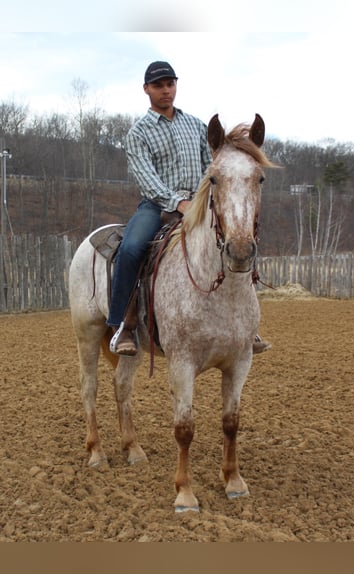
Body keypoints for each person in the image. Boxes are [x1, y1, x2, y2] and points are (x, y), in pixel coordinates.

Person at [107, 61, 271, 356]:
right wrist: (177, 202)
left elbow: (211, 169)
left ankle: (246, 323)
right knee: (131, 248)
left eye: (170, 84)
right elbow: (147, 178)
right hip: (157, 206)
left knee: (238, 236)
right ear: (146, 90)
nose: (166, 91)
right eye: (158, 86)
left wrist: (199, 201)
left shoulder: (195, 125)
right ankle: (124, 325)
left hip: (198, 201)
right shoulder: (138, 133)